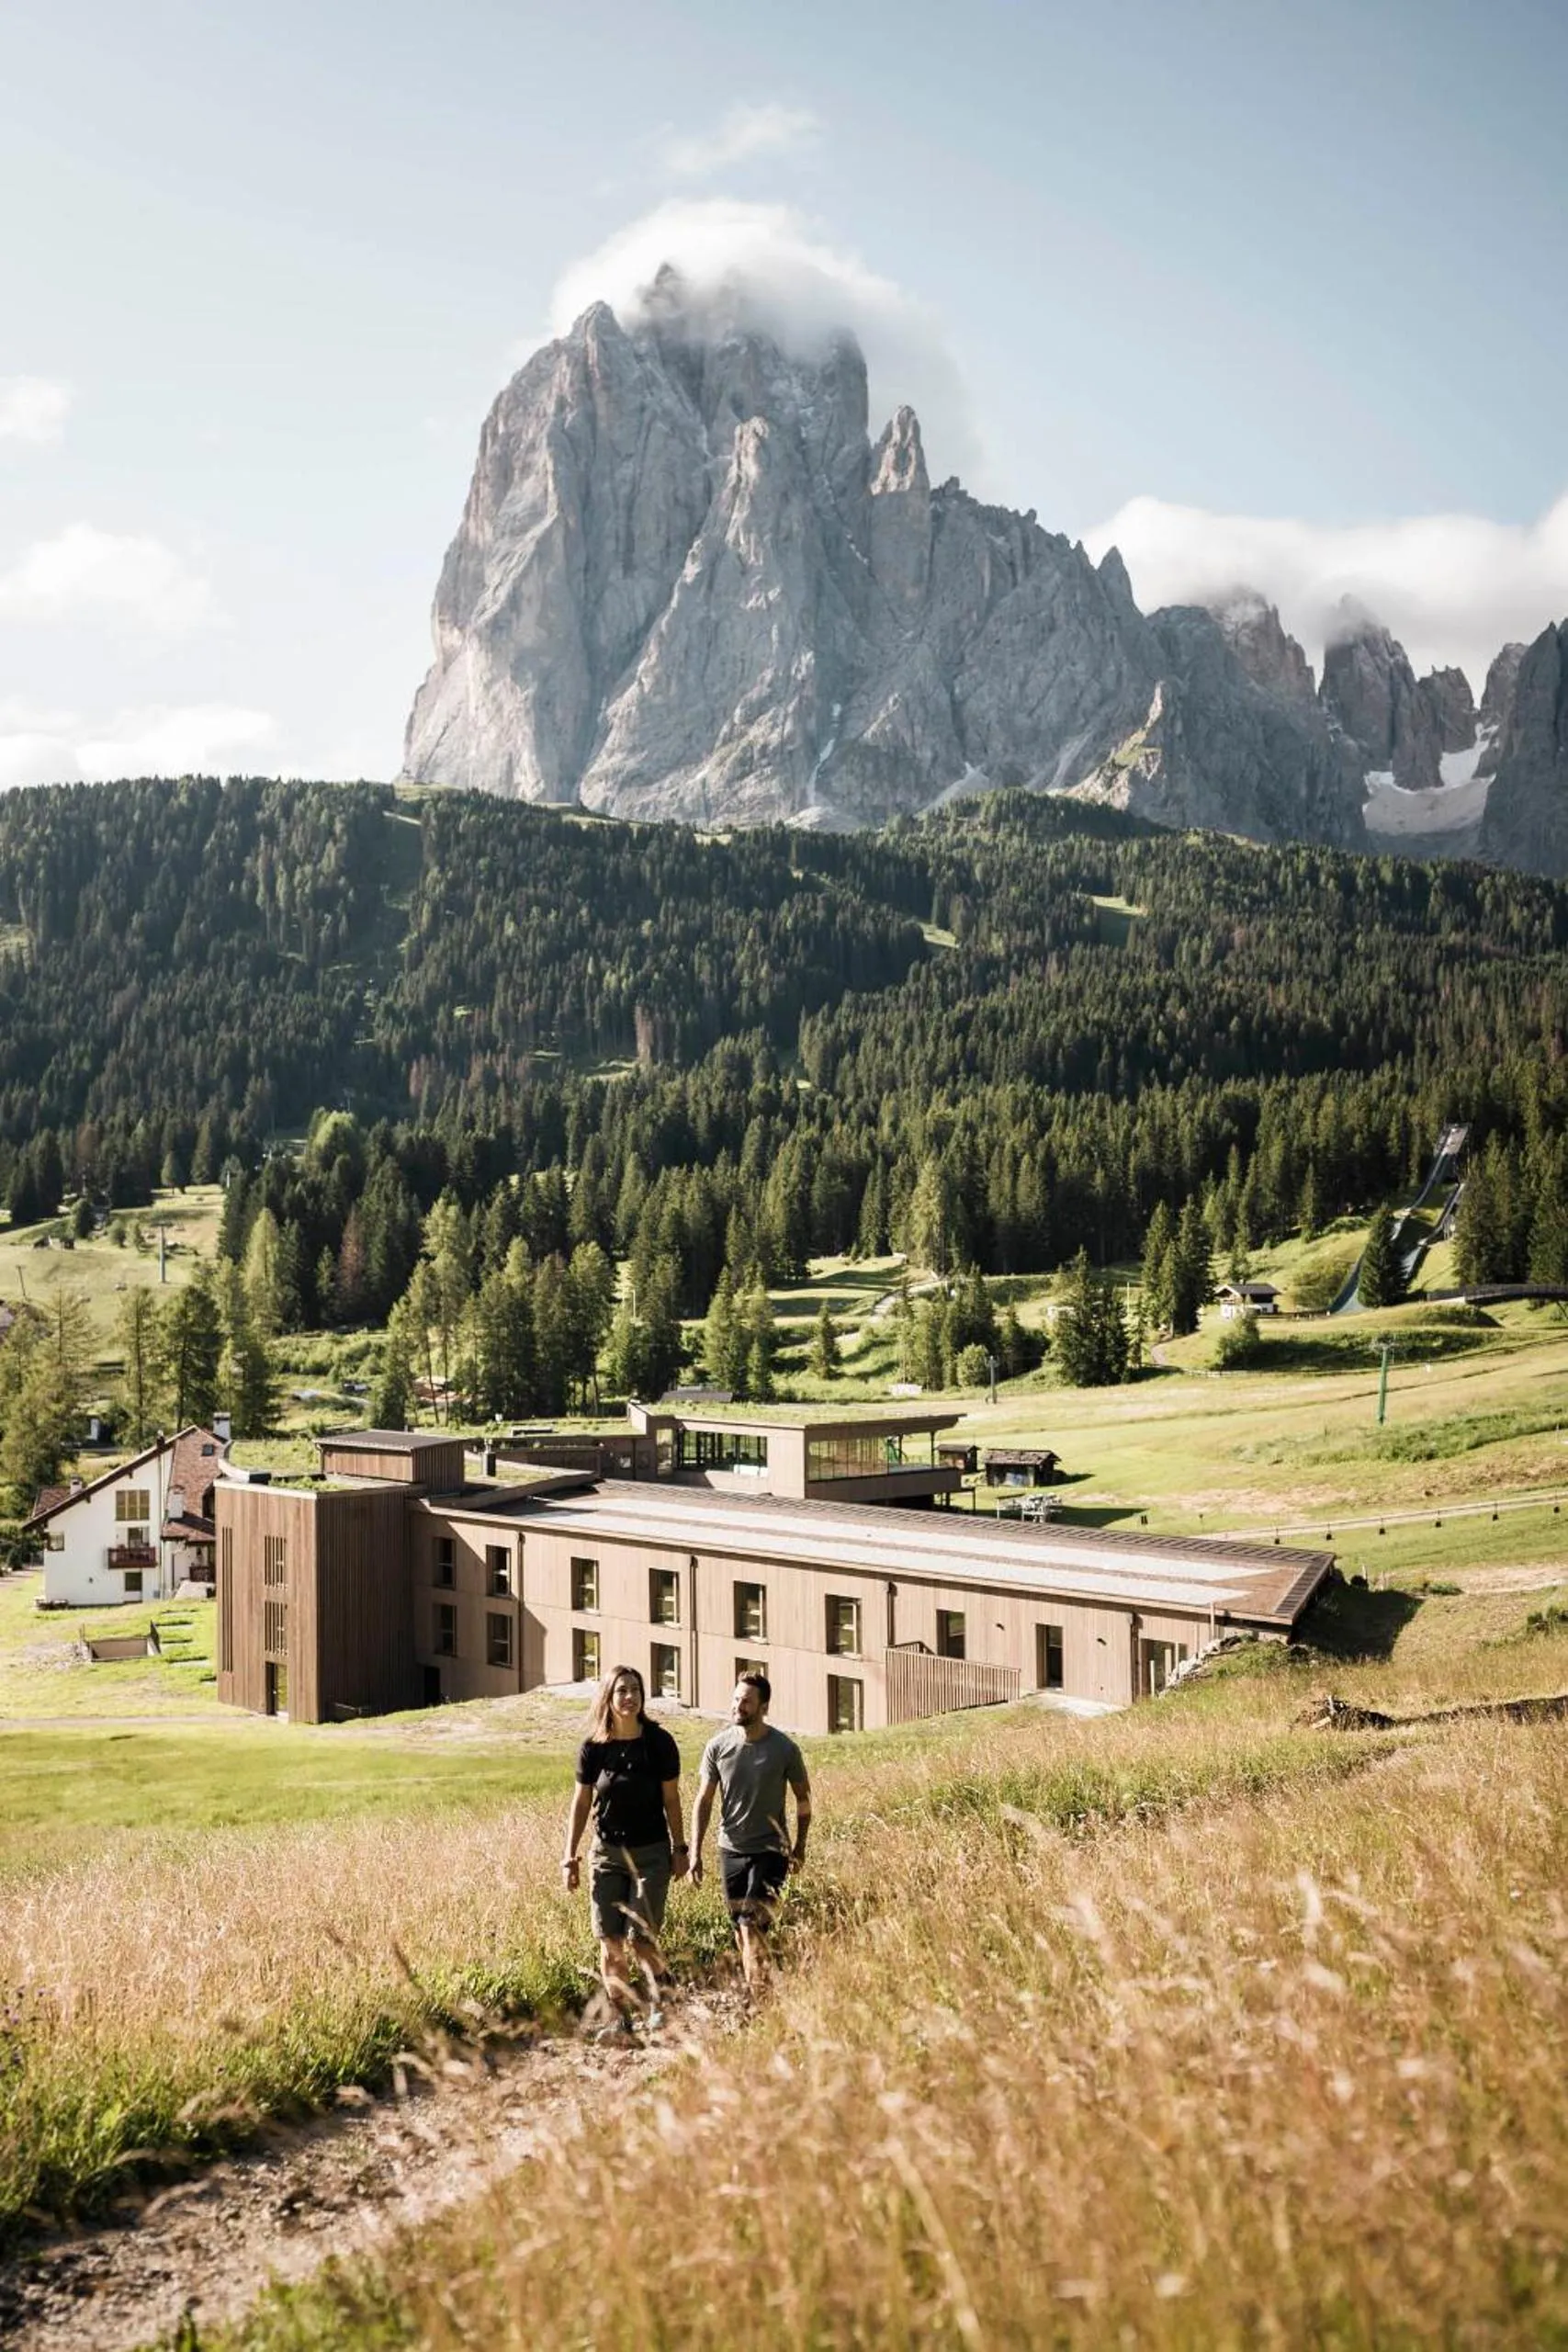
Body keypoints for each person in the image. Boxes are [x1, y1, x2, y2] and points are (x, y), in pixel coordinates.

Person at [562, 1663, 686, 2032]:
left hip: (650, 1853)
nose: (629, 1697)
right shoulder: (593, 1748)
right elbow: (581, 1803)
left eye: (635, 1689)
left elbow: (672, 1799)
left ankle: (663, 1997)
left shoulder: (659, 1743)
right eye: (622, 1691)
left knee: (641, 1941)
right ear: (608, 1698)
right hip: (606, 1855)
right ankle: (621, 2021)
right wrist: (569, 1856)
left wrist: (680, 1849)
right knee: (610, 1944)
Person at [690, 1671, 811, 1991]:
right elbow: (703, 1800)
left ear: (763, 1706)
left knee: (750, 1926)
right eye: (736, 1699)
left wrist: (799, 1847)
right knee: (739, 1928)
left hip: (771, 1851)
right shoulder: (718, 1746)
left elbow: (803, 1799)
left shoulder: (784, 1749)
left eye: (746, 1701)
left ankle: (757, 1999)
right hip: (730, 1849)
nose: (738, 1706)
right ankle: (761, 1988)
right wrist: (694, 1853)